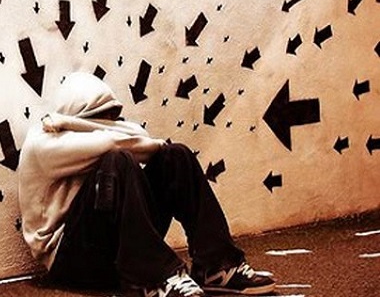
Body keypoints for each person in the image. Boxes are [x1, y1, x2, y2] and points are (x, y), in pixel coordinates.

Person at [17, 72, 276, 297]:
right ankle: (153, 278)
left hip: (113, 253)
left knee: (175, 156)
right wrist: (93, 129)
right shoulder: (43, 143)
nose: (111, 125)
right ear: (79, 114)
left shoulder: (76, 128)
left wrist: (78, 124)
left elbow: (140, 136)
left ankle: (217, 267)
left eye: (112, 119)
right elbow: (112, 143)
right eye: (102, 119)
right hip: (71, 261)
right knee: (118, 161)